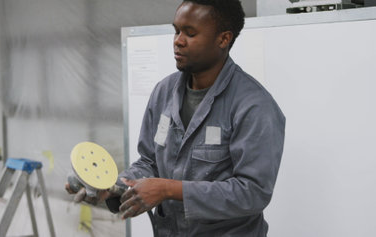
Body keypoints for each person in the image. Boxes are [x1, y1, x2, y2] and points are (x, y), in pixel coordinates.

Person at [66, 0, 285, 236]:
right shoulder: (164, 92)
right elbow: (149, 162)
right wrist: (113, 186)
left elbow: (252, 193)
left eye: (190, 33)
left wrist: (170, 189)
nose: (178, 41)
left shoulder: (253, 105)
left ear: (223, 39)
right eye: (176, 30)